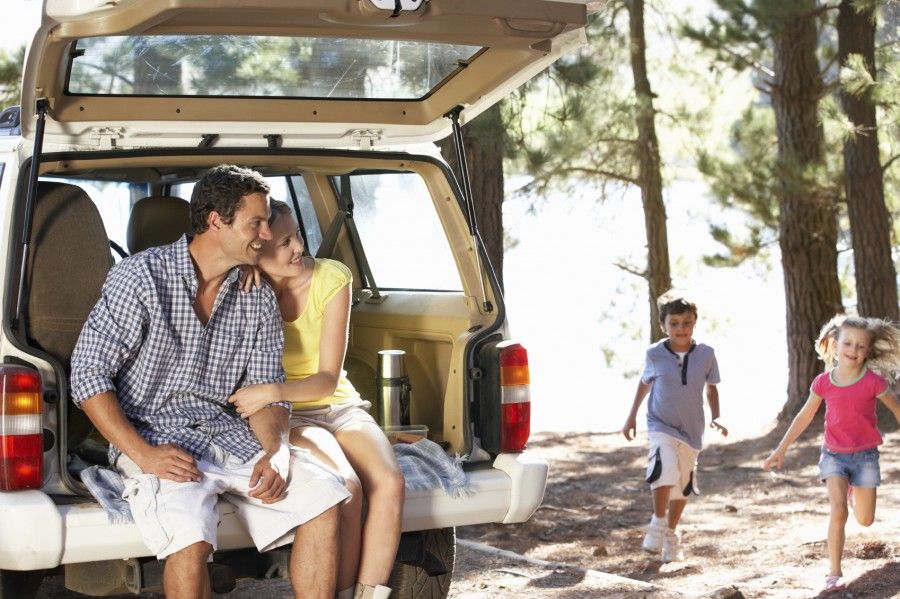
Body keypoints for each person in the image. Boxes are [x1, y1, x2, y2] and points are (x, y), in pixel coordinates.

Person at [70, 165, 351, 599]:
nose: (265, 233)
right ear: (216, 221)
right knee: (190, 537)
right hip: (155, 438)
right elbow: (88, 374)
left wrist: (275, 452)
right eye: (255, 222)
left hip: (229, 435)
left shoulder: (256, 292)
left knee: (324, 499)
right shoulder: (141, 277)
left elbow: (267, 390)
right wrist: (143, 455)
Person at [229, 200, 404, 599]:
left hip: (337, 403)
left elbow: (327, 380)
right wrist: (273, 399)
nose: (299, 249)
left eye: (298, 236)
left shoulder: (331, 277)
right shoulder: (242, 286)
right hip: (288, 416)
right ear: (256, 248)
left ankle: (369, 595)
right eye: (285, 242)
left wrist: (271, 390)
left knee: (391, 481)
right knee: (346, 486)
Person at [763, 314, 900, 594]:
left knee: (865, 519)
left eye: (861, 346)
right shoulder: (823, 382)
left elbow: (898, 409)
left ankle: (854, 492)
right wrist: (781, 449)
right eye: (847, 343)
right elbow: (803, 417)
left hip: (865, 458)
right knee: (837, 511)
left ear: (868, 350)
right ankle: (834, 573)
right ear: (834, 345)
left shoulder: (873, 382)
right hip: (833, 455)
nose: (853, 350)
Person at [622, 290, 726, 563]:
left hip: (692, 431)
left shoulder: (706, 354)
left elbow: (711, 388)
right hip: (660, 424)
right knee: (662, 468)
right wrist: (631, 416)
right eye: (674, 323)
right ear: (663, 326)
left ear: (694, 323)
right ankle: (657, 523)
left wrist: (716, 416)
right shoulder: (654, 354)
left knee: (683, 486)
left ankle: (671, 534)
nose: (681, 329)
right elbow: (645, 383)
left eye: (687, 322)